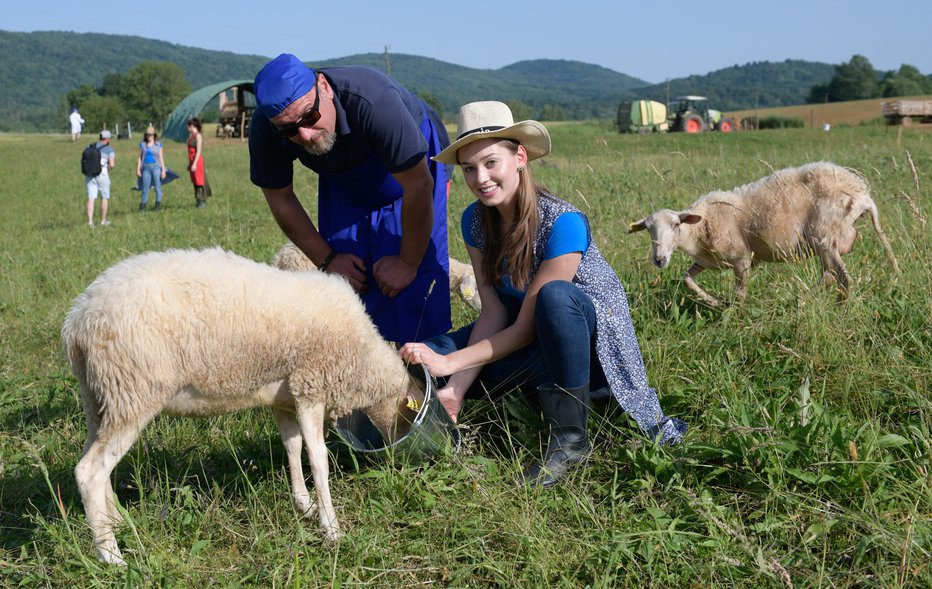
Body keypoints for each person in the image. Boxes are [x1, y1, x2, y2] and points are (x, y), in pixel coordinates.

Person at [399, 101, 687, 488]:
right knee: (424, 351)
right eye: (469, 168)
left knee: (553, 297)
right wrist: (455, 386)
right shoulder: (475, 221)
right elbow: (494, 314)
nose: (480, 178)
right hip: (526, 340)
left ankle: (571, 439)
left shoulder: (563, 222)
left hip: (588, 355)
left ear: (519, 156)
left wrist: (452, 363)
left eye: (490, 163)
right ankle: (433, 421)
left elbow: (527, 325)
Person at [250, 53, 451, 343]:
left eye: (310, 116)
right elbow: (280, 198)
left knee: (414, 287)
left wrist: (408, 262)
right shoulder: (265, 128)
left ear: (324, 87)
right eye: (289, 130)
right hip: (343, 176)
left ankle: (427, 372)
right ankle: (366, 367)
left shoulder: (374, 100)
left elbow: (418, 185)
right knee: (351, 283)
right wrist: (327, 259)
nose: (305, 135)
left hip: (411, 168)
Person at [84, 130, 116, 227]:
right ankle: (103, 221)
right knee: (104, 197)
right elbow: (112, 164)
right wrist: (108, 169)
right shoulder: (109, 150)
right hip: (102, 175)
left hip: (89, 175)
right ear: (107, 139)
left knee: (91, 198)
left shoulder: (89, 147)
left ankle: (90, 222)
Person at [137, 126, 167, 211]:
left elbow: (161, 157)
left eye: (150, 135)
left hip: (156, 167)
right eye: (147, 135)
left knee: (157, 187)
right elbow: (139, 157)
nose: (148, 136)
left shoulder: (158, 145)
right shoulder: (142, 145)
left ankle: (157, 205)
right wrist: (138, 169)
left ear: (154, 135)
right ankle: (142, 206)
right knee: (145, 188)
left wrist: (163, 170)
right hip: (146, 167)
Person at [186, 117, 211, 208]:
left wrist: (195, 163)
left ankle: (202, 200)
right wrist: (190, 163)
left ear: (192, 126)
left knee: (199, 181)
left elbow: (199, 151)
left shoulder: (198, 136)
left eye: (188, 126)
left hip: (197, 161)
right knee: (194, 181)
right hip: (192, 160)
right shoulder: (191, 136)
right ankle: (197, 199)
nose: (187, 128)